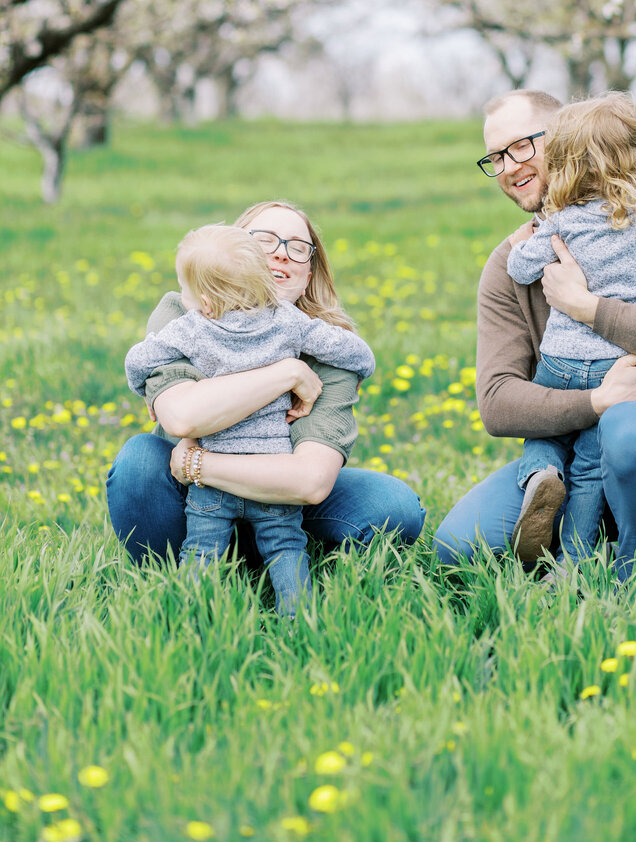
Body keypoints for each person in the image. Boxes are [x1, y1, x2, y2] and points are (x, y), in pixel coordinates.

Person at [433, 90, 636, 583]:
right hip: (571, 459)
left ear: (569, 141)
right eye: (496, 157)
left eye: (521, 147)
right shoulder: (510, 263)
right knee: (458, 546)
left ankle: (632, 575)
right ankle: (560, 510)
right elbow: (498, 401)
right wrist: (598, 400)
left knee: (626, 429)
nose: (508, 167)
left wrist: (587, 308)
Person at [107, 200, 425, 567]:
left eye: (298, 247)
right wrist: (286, 374)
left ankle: (270, 559)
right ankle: (172, 581)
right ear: (232, 252)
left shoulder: (330, 348)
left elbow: (311, 481)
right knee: (138, 461)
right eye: (264, 240)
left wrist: (197, 462)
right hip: (191, 502)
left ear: (309, 275)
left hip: (282, 502)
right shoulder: (186, 313)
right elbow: (182, 418)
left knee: (393, 505)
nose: (281, 254)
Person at [124, 224, 376, 614]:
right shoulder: (288, 321)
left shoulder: (194, 327)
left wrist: (142, 387)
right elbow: (359, 355)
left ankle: (192, 619)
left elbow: (137, 360)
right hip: (274, 473)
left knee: (201, 551)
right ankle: (300, 620)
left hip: (210, 482)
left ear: (205, 301)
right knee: (288, 550)